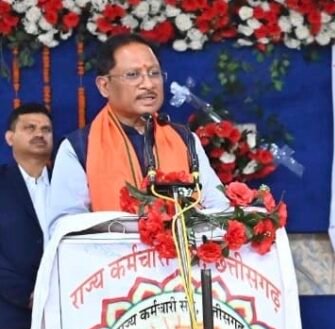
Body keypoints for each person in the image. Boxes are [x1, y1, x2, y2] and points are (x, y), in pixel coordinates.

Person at [47, 33, 228, 233]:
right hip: (112, 252)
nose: (148, 84)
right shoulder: (79, 147)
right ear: (104, 86)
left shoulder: (185, 139)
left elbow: (219, 208)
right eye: (133, 75)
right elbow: (64, 226)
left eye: (154, 73)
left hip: (185, 252)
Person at [0, 103, 53, 329]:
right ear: (10, 137)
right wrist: (27, 295)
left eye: (45, 129)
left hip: (63, 318)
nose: (39, 134)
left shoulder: (69, 182)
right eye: (29, 128)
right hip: (12, 319)